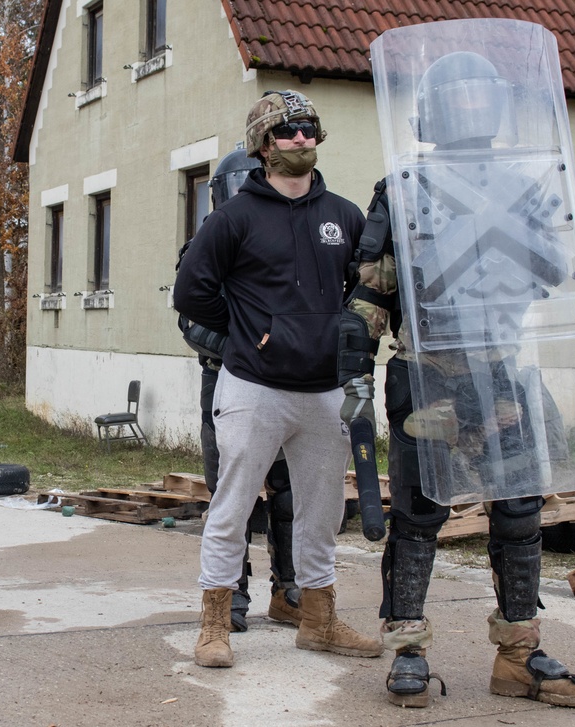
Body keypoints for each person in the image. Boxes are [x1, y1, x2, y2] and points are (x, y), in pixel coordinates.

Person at [338, 50, 575, 707]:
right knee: (419, 516)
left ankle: (518, 652)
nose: (474, 109)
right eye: (464, 99)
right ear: (434, 112)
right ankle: (407, 651)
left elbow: (551, 272)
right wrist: (353, 351)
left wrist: (502, 225)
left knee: (518, 516)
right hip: (428, 374)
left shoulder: (526, 182)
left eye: (485, 97)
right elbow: (374, 288)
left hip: (502, 370)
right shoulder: (403, 188)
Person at [174, 90, 382, 668]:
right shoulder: (233, 218)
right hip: (254, 387)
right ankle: (215, 622)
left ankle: (318, 620)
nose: (302, 140)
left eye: (310, 130)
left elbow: (362, 288)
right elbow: (191, 294)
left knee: (321, 512)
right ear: (265, 146)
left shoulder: (343, 215)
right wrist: (251, 333)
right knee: (232, 505)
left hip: (324, 392)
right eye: (290, 132)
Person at [178, 148, 302, 633]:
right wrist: (248, 342)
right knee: (233, 492)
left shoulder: (289, 242)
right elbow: (192, 321)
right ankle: (232, 590)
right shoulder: (208, 242)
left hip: (287, 381)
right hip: (227, 379)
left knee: (288, 493)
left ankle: (289, 588)